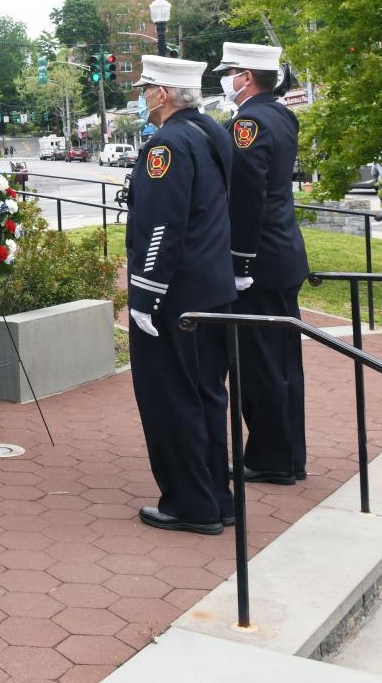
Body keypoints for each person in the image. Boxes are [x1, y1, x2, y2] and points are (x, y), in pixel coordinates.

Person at [126, 55, 236, 535]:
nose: (142, 95)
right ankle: (217, 495)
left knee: (172, 397)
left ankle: (190, 503)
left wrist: (145, 296)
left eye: (146, 87)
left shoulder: (165, 145)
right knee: (208, 393)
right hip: (212, 286)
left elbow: (160, 227)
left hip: (175, 294)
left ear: (164, 94)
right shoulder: (210, 131)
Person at [214, 42, 310, 485]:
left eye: (231, 71)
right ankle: (287, 454)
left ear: (246, 77)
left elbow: (247, 197)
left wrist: (240, 261)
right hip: (282, 253)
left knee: (260, 366)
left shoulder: (249, 122)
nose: (227, 79)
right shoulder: (280, 114)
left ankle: (271, 459)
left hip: (261, 262)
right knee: (285, 364)